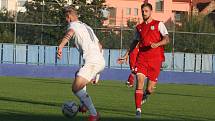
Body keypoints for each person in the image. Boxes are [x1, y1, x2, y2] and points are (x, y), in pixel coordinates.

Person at [118, 3, 169, 118]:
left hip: (156, 60)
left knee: (150, 88)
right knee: (139, 81)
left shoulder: (159, 24)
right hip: (142, 58)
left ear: (151, 11)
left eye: (146, 11)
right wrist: (126, 55)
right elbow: (134, 42)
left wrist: (158, 44)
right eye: (142, 11)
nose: (144, 13)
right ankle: (138, 110)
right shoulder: (139, 27)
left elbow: (167, 39)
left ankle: (147, 94)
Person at [57, 6, 105, 121]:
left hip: (92, 61)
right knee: (78, 74)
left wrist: (61, 46)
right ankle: (84, 105)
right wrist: (98, 73)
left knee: (75, 87)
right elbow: (100, 47)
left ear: (69, 16)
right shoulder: (87, 27)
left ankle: (94, 114)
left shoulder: (73, 25)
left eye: (66, 18)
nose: (66, 20)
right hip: (99, 61)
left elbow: (70, 33)